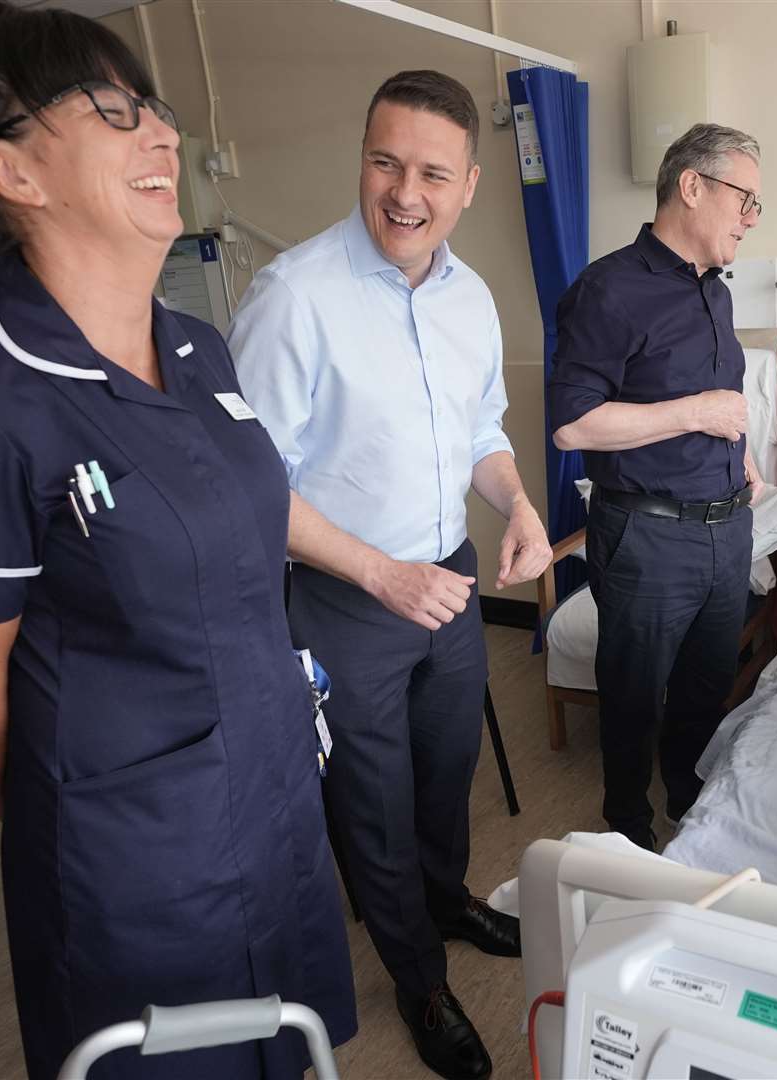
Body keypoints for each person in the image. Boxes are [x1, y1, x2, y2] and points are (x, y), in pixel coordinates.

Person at [0, 3, 356, 1077]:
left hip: (275, 809)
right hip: (142, 883)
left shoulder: (198, 349)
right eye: (114, 112)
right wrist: (110, 818)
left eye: (157, 110)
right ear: (13, 172)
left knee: (296, 1051)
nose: (164, 136)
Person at [227, 69, 550, 1080]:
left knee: (445, 771)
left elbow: (480, 430)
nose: (404, 193)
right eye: (385, 162)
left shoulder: (471, 297)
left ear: (469, 186)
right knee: (371, 798)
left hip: (446, 584)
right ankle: (418, 977)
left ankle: (446, 902)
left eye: (431, 173)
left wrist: (522, 503)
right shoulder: (294, 297)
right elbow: (250, 488)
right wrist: (380, 575)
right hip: (340, 600)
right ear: (362, 158)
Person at [548, 123, 766, 852]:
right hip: (648, 535)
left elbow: (720, 399)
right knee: (635, 693)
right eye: (745, 198)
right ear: (692, 186)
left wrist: (742, 453)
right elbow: (573, 426)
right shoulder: (608, 290)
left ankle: (687, 800)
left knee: (707, 682)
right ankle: (627, 826)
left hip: (726, 527)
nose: (750, 217)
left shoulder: (718, 296)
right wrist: (697, 413)